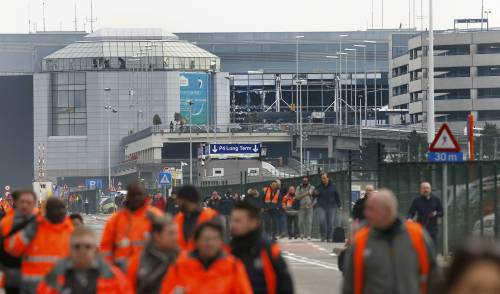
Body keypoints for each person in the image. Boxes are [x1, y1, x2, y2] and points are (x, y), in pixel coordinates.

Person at [342, 189, 437, 294]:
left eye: (371, 209)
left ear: (387, 210)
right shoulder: (361, 240)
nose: (365, 213)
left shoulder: (417, 235)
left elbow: (433, 276)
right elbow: (350, 285)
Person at [161, 221, 252, 294]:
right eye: (206, 239)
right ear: (196, 242)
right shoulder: (180, 266)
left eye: (215, 239)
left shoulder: (233, 267)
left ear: (221, 242)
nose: (210, 244)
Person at [6, 197, 74, 294]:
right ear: (47, 210)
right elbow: (12, 249)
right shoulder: (34, 228)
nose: (61, 211)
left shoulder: (70, 231)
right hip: (32, 289)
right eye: (57, 208)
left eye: (63, 208)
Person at [37, 226, 132, 294]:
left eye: (87, 247)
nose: (82, 251)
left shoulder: (115, 279)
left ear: (95, 249)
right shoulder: (53, 278)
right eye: (77, 247)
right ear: (69, 249)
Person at [230, 201, 294, 294]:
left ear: (254, 223)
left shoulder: (269, 250)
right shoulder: (226, 250)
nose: (233, 225)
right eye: (232, 220)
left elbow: (285, 287)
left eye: (238, 221)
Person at [100, 181, 163, 271]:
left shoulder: (155, 217)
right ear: (128, 197)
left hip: (150, 272)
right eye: (133, 195)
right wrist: (109, 271)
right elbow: (106, 248)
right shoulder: (116, 219)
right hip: (121, 272)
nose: (136, 198)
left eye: (139, 194)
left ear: (145, 197)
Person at [127, 215, 179, 294]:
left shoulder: (183, 260)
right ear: (157, 235)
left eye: (176, 233)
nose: (175, 237)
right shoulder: (138, 261)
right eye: (170, 233)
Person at [0, 189, 38, 294]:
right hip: (13, 281)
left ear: (34, 204)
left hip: (36, 281)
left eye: (29, 202)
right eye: (22, 202)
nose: (25, 205)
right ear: (16, 202)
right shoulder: (5, 222)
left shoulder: (41, 223)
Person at [174, 185, 217, 251]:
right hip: (183, 259)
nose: (177, 203)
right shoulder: (178, 218)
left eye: (179, 200)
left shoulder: (211, 217)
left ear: (186, 200)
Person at [314, 173, 342, 242]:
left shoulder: (333, 186)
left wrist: (339, 205)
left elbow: (337, 196)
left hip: (331, 206)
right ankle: (323, 235)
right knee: (322, 220)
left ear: (328, 178)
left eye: (325, 178)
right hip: (321, 206)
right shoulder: (319, 186)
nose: (323, 180)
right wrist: (315, 194)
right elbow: (314, 195)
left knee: (330, 222)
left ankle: (329, 237)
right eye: (322, 178)